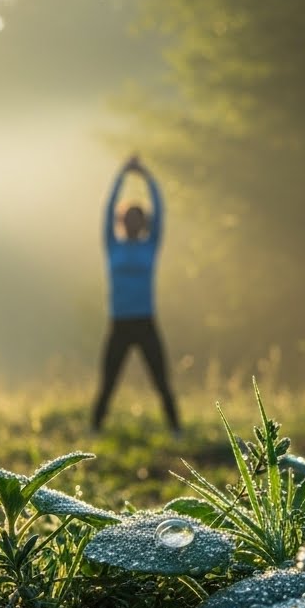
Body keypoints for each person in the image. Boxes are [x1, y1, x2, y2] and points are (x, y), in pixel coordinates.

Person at [91, 155, 180, 434]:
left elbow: (161, 211)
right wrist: (121, 176)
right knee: (108, 381)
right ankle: (95, 429)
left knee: (161, 380)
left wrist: (147, 178)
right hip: (119, 322)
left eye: (137, 219)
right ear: (121, 222)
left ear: (143, 224)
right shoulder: (112, 244)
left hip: (145, 321)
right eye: (127, 218)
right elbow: (107, 210)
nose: (131, 223)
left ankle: (176, 429)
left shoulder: (150, 246)